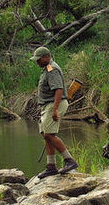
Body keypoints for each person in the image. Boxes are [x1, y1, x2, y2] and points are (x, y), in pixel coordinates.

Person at [31, 46, 78, 177]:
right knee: (47, 135)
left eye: (39, 59)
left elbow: (58, 90)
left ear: (46, 57)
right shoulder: (47, 68)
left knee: (49, 135)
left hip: (54, 105)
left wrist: (55, 109)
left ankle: (69, 160)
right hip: (48, 105)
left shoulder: (52, 70)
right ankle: (51, 166)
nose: (37, 62)